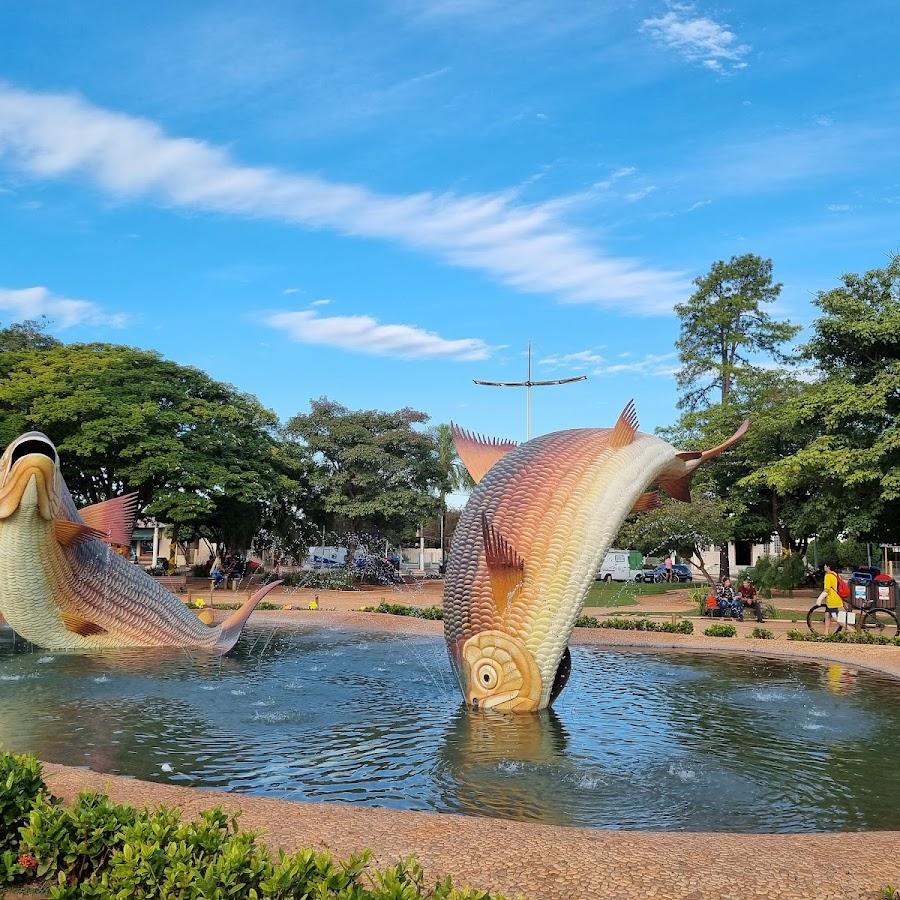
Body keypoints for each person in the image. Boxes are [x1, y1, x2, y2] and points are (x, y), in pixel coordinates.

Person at [817, 561, 844, 635]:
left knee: (836, 618)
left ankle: (853, 631)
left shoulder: (828, 576)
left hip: (832, 600)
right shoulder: (835, 574)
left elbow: (827, 590)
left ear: (828, 567)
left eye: (825, 565)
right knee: (827, 615)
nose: (824, 567)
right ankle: (826, 633)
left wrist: (819, 599)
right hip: (837, 598)